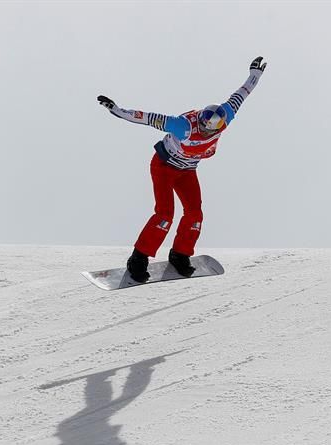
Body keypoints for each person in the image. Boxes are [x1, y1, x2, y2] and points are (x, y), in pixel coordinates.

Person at [97, 57, 267, 282]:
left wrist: (255, 73)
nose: (209, 134)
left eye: (214, 131)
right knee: (165, 214)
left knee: (195, 213)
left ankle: (180, 255)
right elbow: (147, 118)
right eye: (206, 130)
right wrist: (117, 110)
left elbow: (242, 94)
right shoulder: (183, 126)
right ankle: (138, 258)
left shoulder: (225, 117)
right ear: (201, 122)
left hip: (187, 171)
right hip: (164, 167)